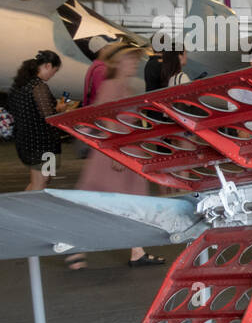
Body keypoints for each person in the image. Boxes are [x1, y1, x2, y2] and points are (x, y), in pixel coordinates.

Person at [71, 45, 166, 268]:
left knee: (128, 206)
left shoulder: (123, 86)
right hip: (115, 155)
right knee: (102, 206)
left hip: (124, 152)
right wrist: (116, 152)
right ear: (117, 63)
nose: (134, 64)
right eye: (130, 60)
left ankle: (137, 251)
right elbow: (106, 120)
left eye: (135, 60)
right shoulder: (112, 86)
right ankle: (73, 245)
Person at [10, 50, 71, 191]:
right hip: (42, 144)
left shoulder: (19, 85)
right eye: (54, 71)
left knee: (42, 179)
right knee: (41, 182)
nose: (52, 75)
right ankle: (27, 211)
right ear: (48, 66)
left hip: (25, 141)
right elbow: (49, 116)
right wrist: (60, 109)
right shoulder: (39, 87)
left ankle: (23, 205)